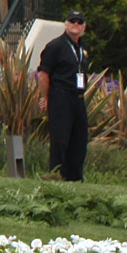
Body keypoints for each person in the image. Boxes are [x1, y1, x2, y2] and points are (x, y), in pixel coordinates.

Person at [36, 12, 91, 181]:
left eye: (79, 22)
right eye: (72, 21)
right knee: (60, 138)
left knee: (80, 139)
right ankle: (56, 174)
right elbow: (44, 74)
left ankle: (75, 177)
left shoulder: (82, 49)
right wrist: (45, 97)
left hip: (78, 97)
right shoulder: (56, 46)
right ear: (66, 24)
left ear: (83, 27)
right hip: (61, 96)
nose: (76, 24)